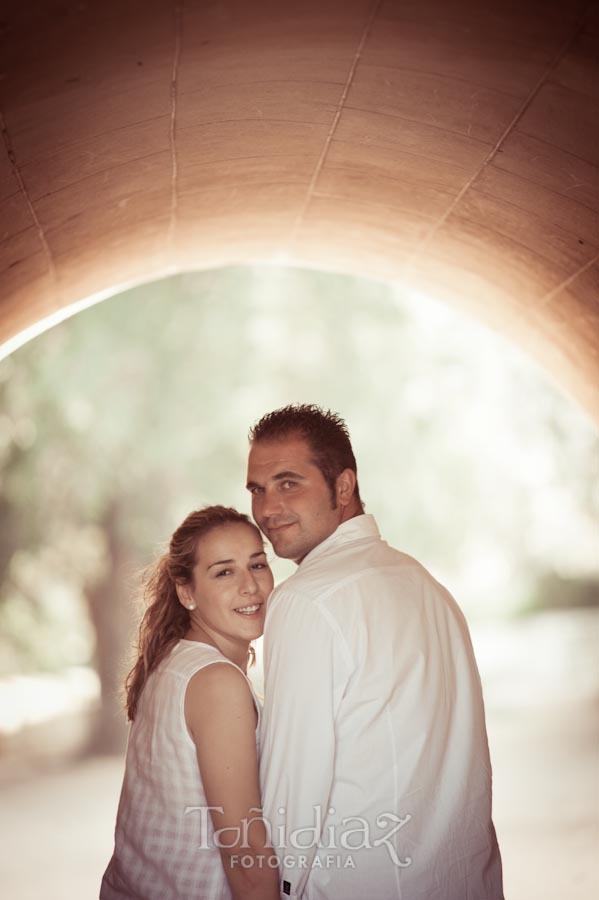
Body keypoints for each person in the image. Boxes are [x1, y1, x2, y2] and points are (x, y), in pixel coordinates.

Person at [246, 404, 504, 900]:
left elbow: (292, 792)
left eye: (288, 483)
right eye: (257, 490)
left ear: (343, 487)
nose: (267, 509)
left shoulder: (305, 600)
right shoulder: (427, 585)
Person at [100, 506, 280, 900]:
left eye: (258, 564)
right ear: (186, 592)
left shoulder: (173, 661)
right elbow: (245, 850)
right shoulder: (217, 683)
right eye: (224, 572)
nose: (250, 586)